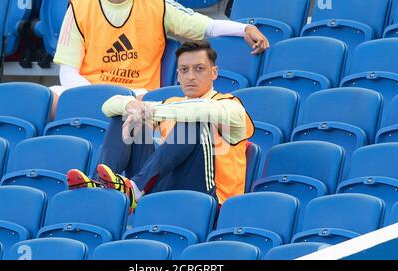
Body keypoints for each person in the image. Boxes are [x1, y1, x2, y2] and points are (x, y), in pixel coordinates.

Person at [66, 40, 254, 209]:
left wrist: (150, 111)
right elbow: (109, 105)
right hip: (164, 187)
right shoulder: (171, 105)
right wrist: (131, 105)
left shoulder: (231, 105)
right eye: (184, 70)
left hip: (210, 199)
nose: (191, 76)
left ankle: (136, 187)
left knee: (193, 122)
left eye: (199, 69)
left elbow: (202, 110)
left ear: (214, 73)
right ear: (178, 75)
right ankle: (101, 187)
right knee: (125, 116)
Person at [50, 0, 269, 103]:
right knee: (49, 98)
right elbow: (68, 73)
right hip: (89, 91)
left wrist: (244, 29)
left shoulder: (157, 5)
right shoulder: (79, 7)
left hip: (138, 94)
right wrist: (98, 97)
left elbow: (206, 26)